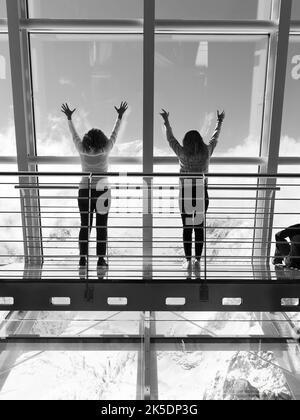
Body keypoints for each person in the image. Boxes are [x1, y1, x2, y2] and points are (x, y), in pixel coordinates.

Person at [61, 101, 128, 268]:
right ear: (101, 139)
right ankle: (100, 259)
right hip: (102, 191)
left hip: (84, 190)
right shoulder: (106, 149)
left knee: (85, 225)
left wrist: (69, 119)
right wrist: (119, 117)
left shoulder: (81, 149)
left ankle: (83, 258)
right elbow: (115, 134)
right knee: (101, 226)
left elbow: (74, 135)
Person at [160, 109, 225, 270]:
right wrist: (219, 121)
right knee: (200, 227)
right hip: (202, 193)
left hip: (186, 193)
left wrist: (167, 121)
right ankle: (197, 260)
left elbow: (170, 139)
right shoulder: (206, 153)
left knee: (187, 228)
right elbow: (214, 138)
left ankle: (188, 260)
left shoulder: (182, 153)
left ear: (186, 142)